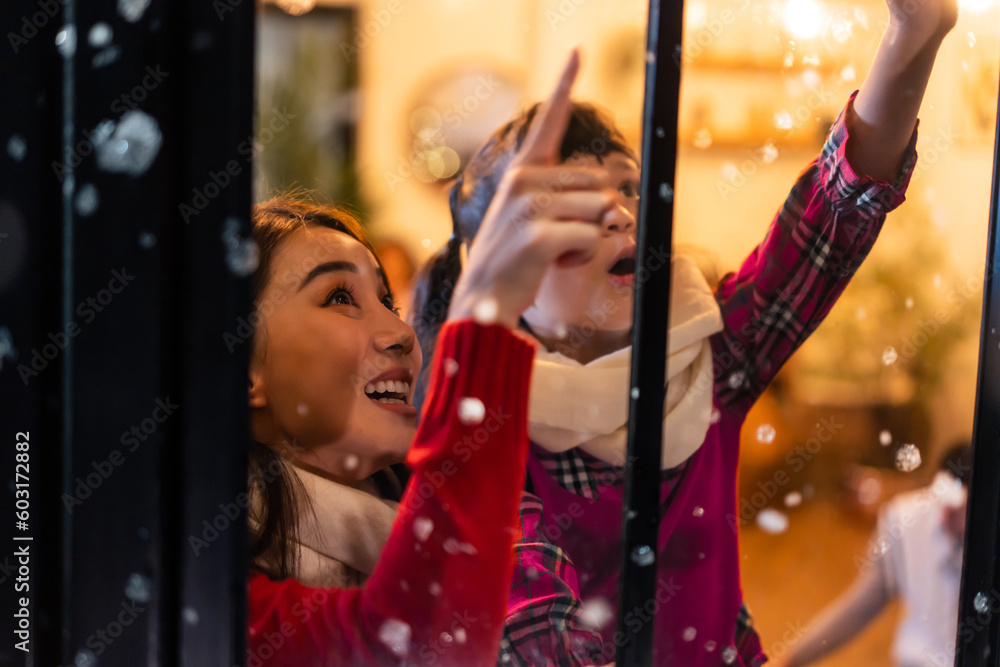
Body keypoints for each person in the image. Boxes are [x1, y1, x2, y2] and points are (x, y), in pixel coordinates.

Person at [411, 1, 958, 664]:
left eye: (630, 189)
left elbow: (836, 210)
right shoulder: (491, 423)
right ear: (501, 271)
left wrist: (914, 31)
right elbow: (536, 630)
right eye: (573, 204)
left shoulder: (709, 354)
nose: (617, 214)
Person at [245, 51, 619, 665]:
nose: (399, 331)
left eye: (389, 300)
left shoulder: (472, 497)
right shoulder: (208, 580)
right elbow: (412, 643)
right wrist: (483, 321)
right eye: (340, 297)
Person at [774, 443, 972, 667]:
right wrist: (791, 659)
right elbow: (864, 602)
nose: (944, 516)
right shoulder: (905, 520)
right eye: (942, 503)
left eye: (957, 509)